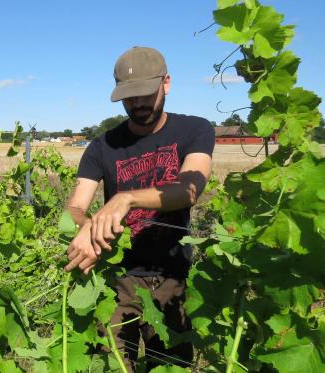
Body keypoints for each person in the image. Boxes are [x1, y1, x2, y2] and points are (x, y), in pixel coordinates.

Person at [63, 46, 214, 370]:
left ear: (166, 84)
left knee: (170, 366)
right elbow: (75, 207)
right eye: (129, 97)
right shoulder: (102, 146)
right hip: (115, 279)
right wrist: (86, 225)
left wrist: (126, 198)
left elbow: (189, 189)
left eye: (145, 93)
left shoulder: (194, 130)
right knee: (113, 364)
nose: (139, 104)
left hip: (171, 278)